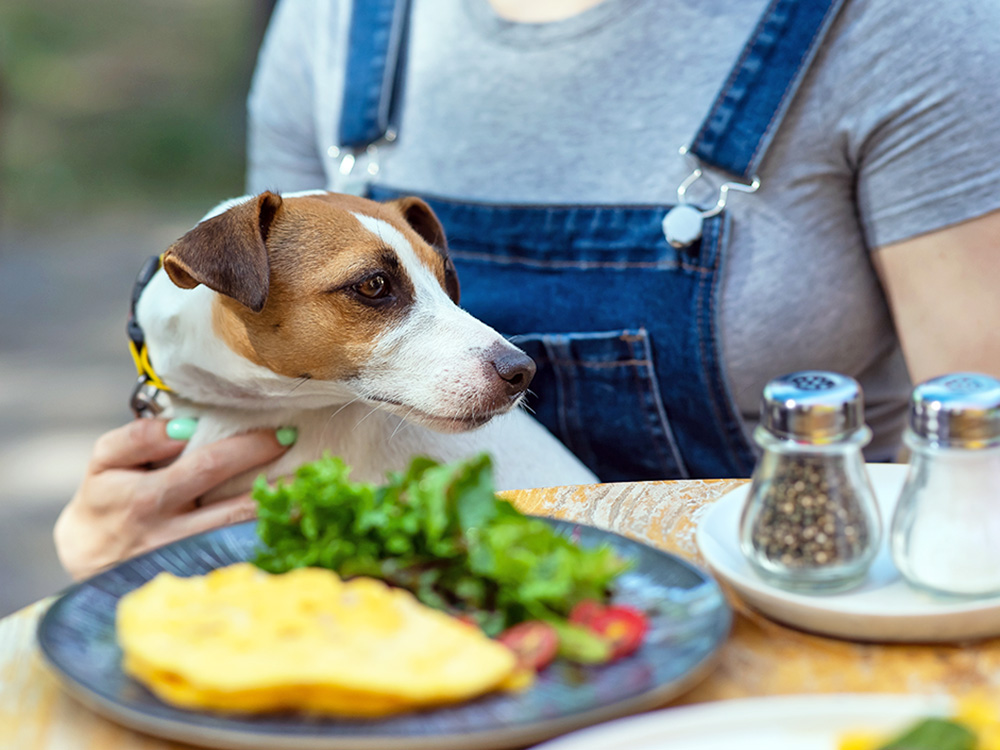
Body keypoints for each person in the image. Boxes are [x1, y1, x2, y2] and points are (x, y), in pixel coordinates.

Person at [57, 0, 1000, 579]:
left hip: (774, 600)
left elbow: (983, 463)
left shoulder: (898, 22)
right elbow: (259, 349)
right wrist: (126, 551)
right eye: (380, 288)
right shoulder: (339, 20)